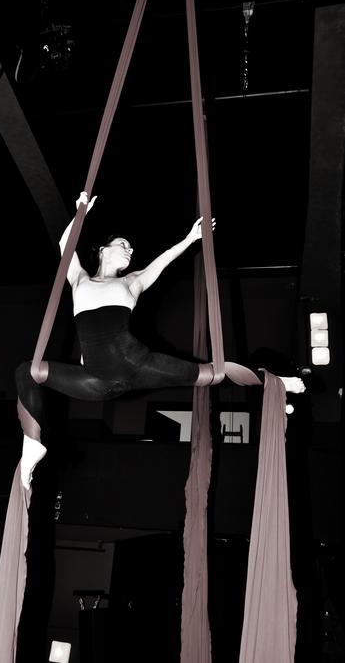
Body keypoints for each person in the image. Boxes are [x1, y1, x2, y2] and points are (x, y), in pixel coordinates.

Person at [16, 192, 305, 488]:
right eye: (123, 245)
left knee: (213, 374)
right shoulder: (79, 279)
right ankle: (32, 444)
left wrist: (190, 239)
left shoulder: (132, 281)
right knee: (27, 371)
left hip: (136, 363)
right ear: (103, 250)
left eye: (130, 247)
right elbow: (65, 245)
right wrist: (81, 212)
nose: (130, 249)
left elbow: (163, 260)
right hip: (99, 381)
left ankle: (277, 382)